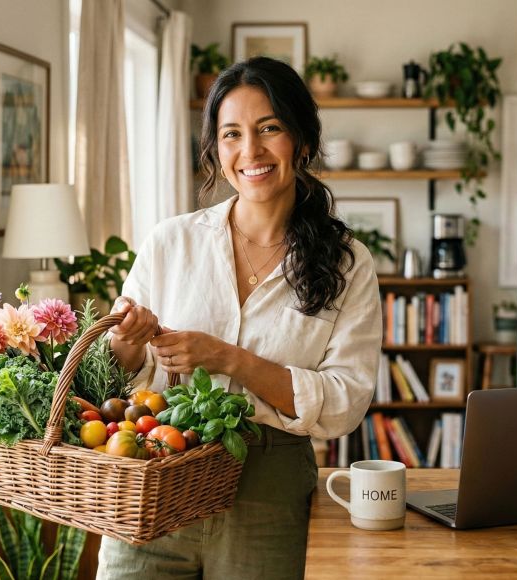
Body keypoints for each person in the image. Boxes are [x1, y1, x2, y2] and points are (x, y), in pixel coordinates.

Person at [98, 56, 382, 580]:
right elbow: (115, 372)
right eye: (231, 134)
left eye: (268, 128)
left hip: (269, 491)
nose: (250, 151)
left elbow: (344, 402)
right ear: (216, 150)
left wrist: (231, 360)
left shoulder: (348, 264)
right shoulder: (171, 242)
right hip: (154, 471)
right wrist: (129, 341)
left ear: (301, 140)